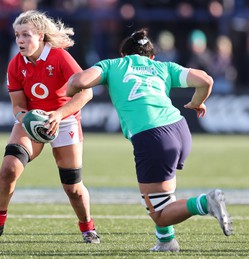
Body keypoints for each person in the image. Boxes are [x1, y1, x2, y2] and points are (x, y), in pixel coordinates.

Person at [67, 28, 232, 252]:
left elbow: (79, 80)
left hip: (153, 137)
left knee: (161, 215)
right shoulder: (163, 67)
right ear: (151, 57)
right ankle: (166, 242)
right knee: (162, 196)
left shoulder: (112, 65)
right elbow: (205, 80)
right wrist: (196, 103)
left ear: (123, 55)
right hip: (180, 129)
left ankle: (205, 203)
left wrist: (69, 90)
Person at [0, 10, 100, 244]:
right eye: (17, 35)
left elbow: (86, 92)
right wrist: (27, 118)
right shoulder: (15, 64)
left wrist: (58, 115)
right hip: (32, 120)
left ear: (41, 36)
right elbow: (17, 106)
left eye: (26, 35)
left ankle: (88, 228)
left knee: (72, 187)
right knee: (9, 168)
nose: (20, 40)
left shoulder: (60, 57)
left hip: (65, 120)